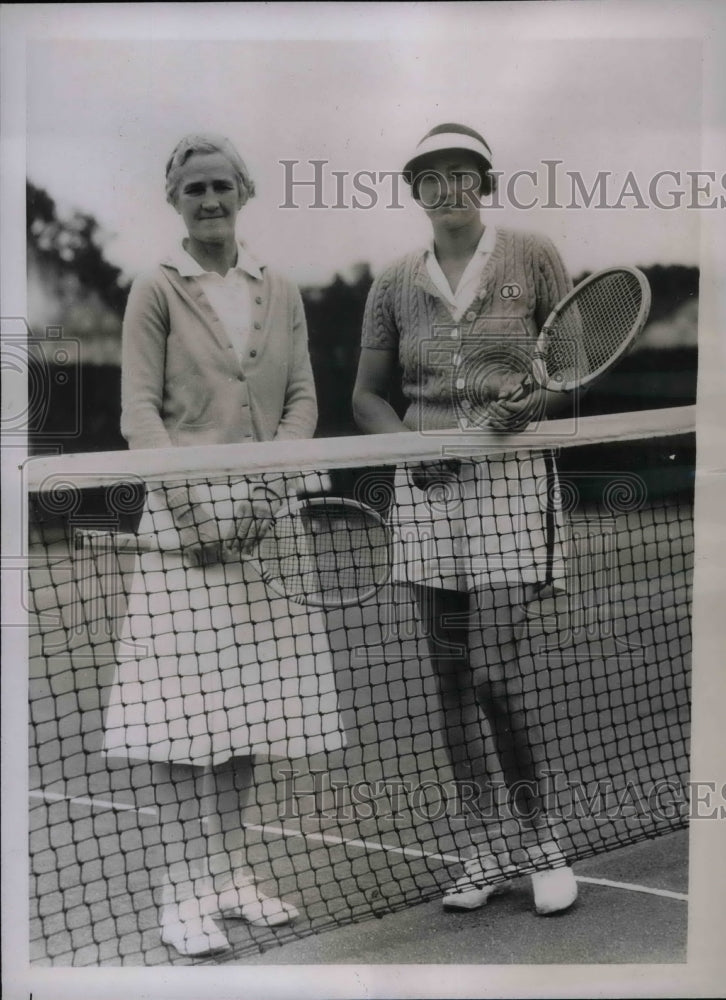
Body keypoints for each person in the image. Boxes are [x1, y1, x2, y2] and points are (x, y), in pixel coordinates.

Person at [103, 133, 345, 956]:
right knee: (181, 720)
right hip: (185, 530)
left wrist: (270, 495)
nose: (209, 201)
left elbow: (303, 399)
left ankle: (228, 874)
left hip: (268, 525)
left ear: (245, 191)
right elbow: (140, 412)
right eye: (194, 189)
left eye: (221, 187)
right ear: (176, 200)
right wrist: (194, 513)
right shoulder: (156, 289)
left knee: (250, 708)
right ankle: (182, 892)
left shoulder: (280, 289)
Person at [352, 123, 578, 916]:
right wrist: (412, 449)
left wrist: (531, 405)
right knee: (449, 678)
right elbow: (367, 396)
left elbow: (572, 371)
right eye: (431, 177)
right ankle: (481, 849)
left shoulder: (534, 255)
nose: (449, 188)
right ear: (416, 190)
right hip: (428, 492)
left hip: (512, 486)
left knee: (495, 672)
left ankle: (541, 839)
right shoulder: (392, 283)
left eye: (463, 175)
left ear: (485, 184)